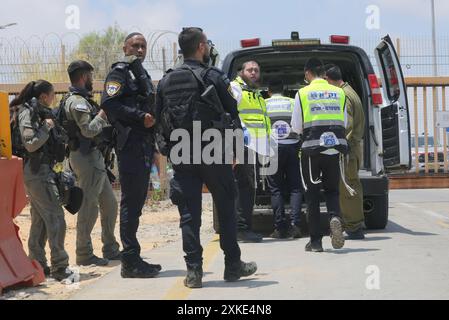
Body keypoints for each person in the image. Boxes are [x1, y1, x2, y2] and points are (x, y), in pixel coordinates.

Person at [155, 27, 257, 289]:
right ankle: (233, 265)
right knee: (226, 205)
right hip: (213, 149)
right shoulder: (213, 76)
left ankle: (194, 272)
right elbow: (232, 112)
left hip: (182, 152)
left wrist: (168, 150)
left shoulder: (166, 81)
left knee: (189, 214)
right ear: (201, 47)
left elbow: (158, 119)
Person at [101, 33, 161, 278]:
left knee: (137, 203)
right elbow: (109, 103)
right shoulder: (120, 72)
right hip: (130, 145)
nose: (139, 49)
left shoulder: (141, 73)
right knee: (130, 203)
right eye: (135, 45)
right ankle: (129, 261)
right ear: (124, 47)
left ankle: (133, 257)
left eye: (143, 46)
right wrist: (140, 117)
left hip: (144, 144)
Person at [62, 60, 121, 266]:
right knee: (89, 206)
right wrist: (103, 114)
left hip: (95, 159)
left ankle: (111, 248)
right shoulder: (76, 102)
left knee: (110, 205)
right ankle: (84, 253)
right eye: (90, 76)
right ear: (83, 77)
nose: (92, 81)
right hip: (85, 159)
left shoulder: (83, 99)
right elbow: (87, 130)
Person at [12, 80, 72, 281]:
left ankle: (38, 263)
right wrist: (46, 128)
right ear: (44, 96)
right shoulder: (28, 112)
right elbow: (30, 144)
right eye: (52, 94)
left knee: (40, 221)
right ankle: (60, 266)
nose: (54, 98)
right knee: (56, 217)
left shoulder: (42, 112)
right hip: (36, 172)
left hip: (43, 171)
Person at [291, 58, 347, 252]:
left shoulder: (302, 93)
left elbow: (296, 126)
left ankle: (315, 242)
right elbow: (344, 123)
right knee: (332, 191)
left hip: (311, 151)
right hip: (334, 150)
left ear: (307, 74)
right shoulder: (339, 93)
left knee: (312, 195)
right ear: (324, 73)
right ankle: (334, 217)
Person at [231, 60, 271, 243]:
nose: (254, 72)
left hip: (255, 147)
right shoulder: (235, 88)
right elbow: (229, 116)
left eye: (257, 69)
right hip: (242, 145)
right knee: (243, 188)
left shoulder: (256, 94)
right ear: (241, 72)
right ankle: (241, 229)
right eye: (250, 70)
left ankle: (244, 227)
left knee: (248, 188)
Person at [325, 64, 366, 240]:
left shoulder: (343, 95)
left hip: (348, 149)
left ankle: (355, 227)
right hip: (354, 148)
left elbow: (347, 126)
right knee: (351, 185)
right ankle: (353, 224)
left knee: (348, 187)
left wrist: (340, 145)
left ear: (328, 78)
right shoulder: (351, 91)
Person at [265, 80, 303, 239]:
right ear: (284, 91)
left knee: (276, 188)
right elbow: (300, 123)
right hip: (293, 146)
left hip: (273, 148)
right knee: (295, 186)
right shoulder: (293, 102)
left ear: (268, 91)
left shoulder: (264, 103)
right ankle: (295, 225)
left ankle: (279, 228)